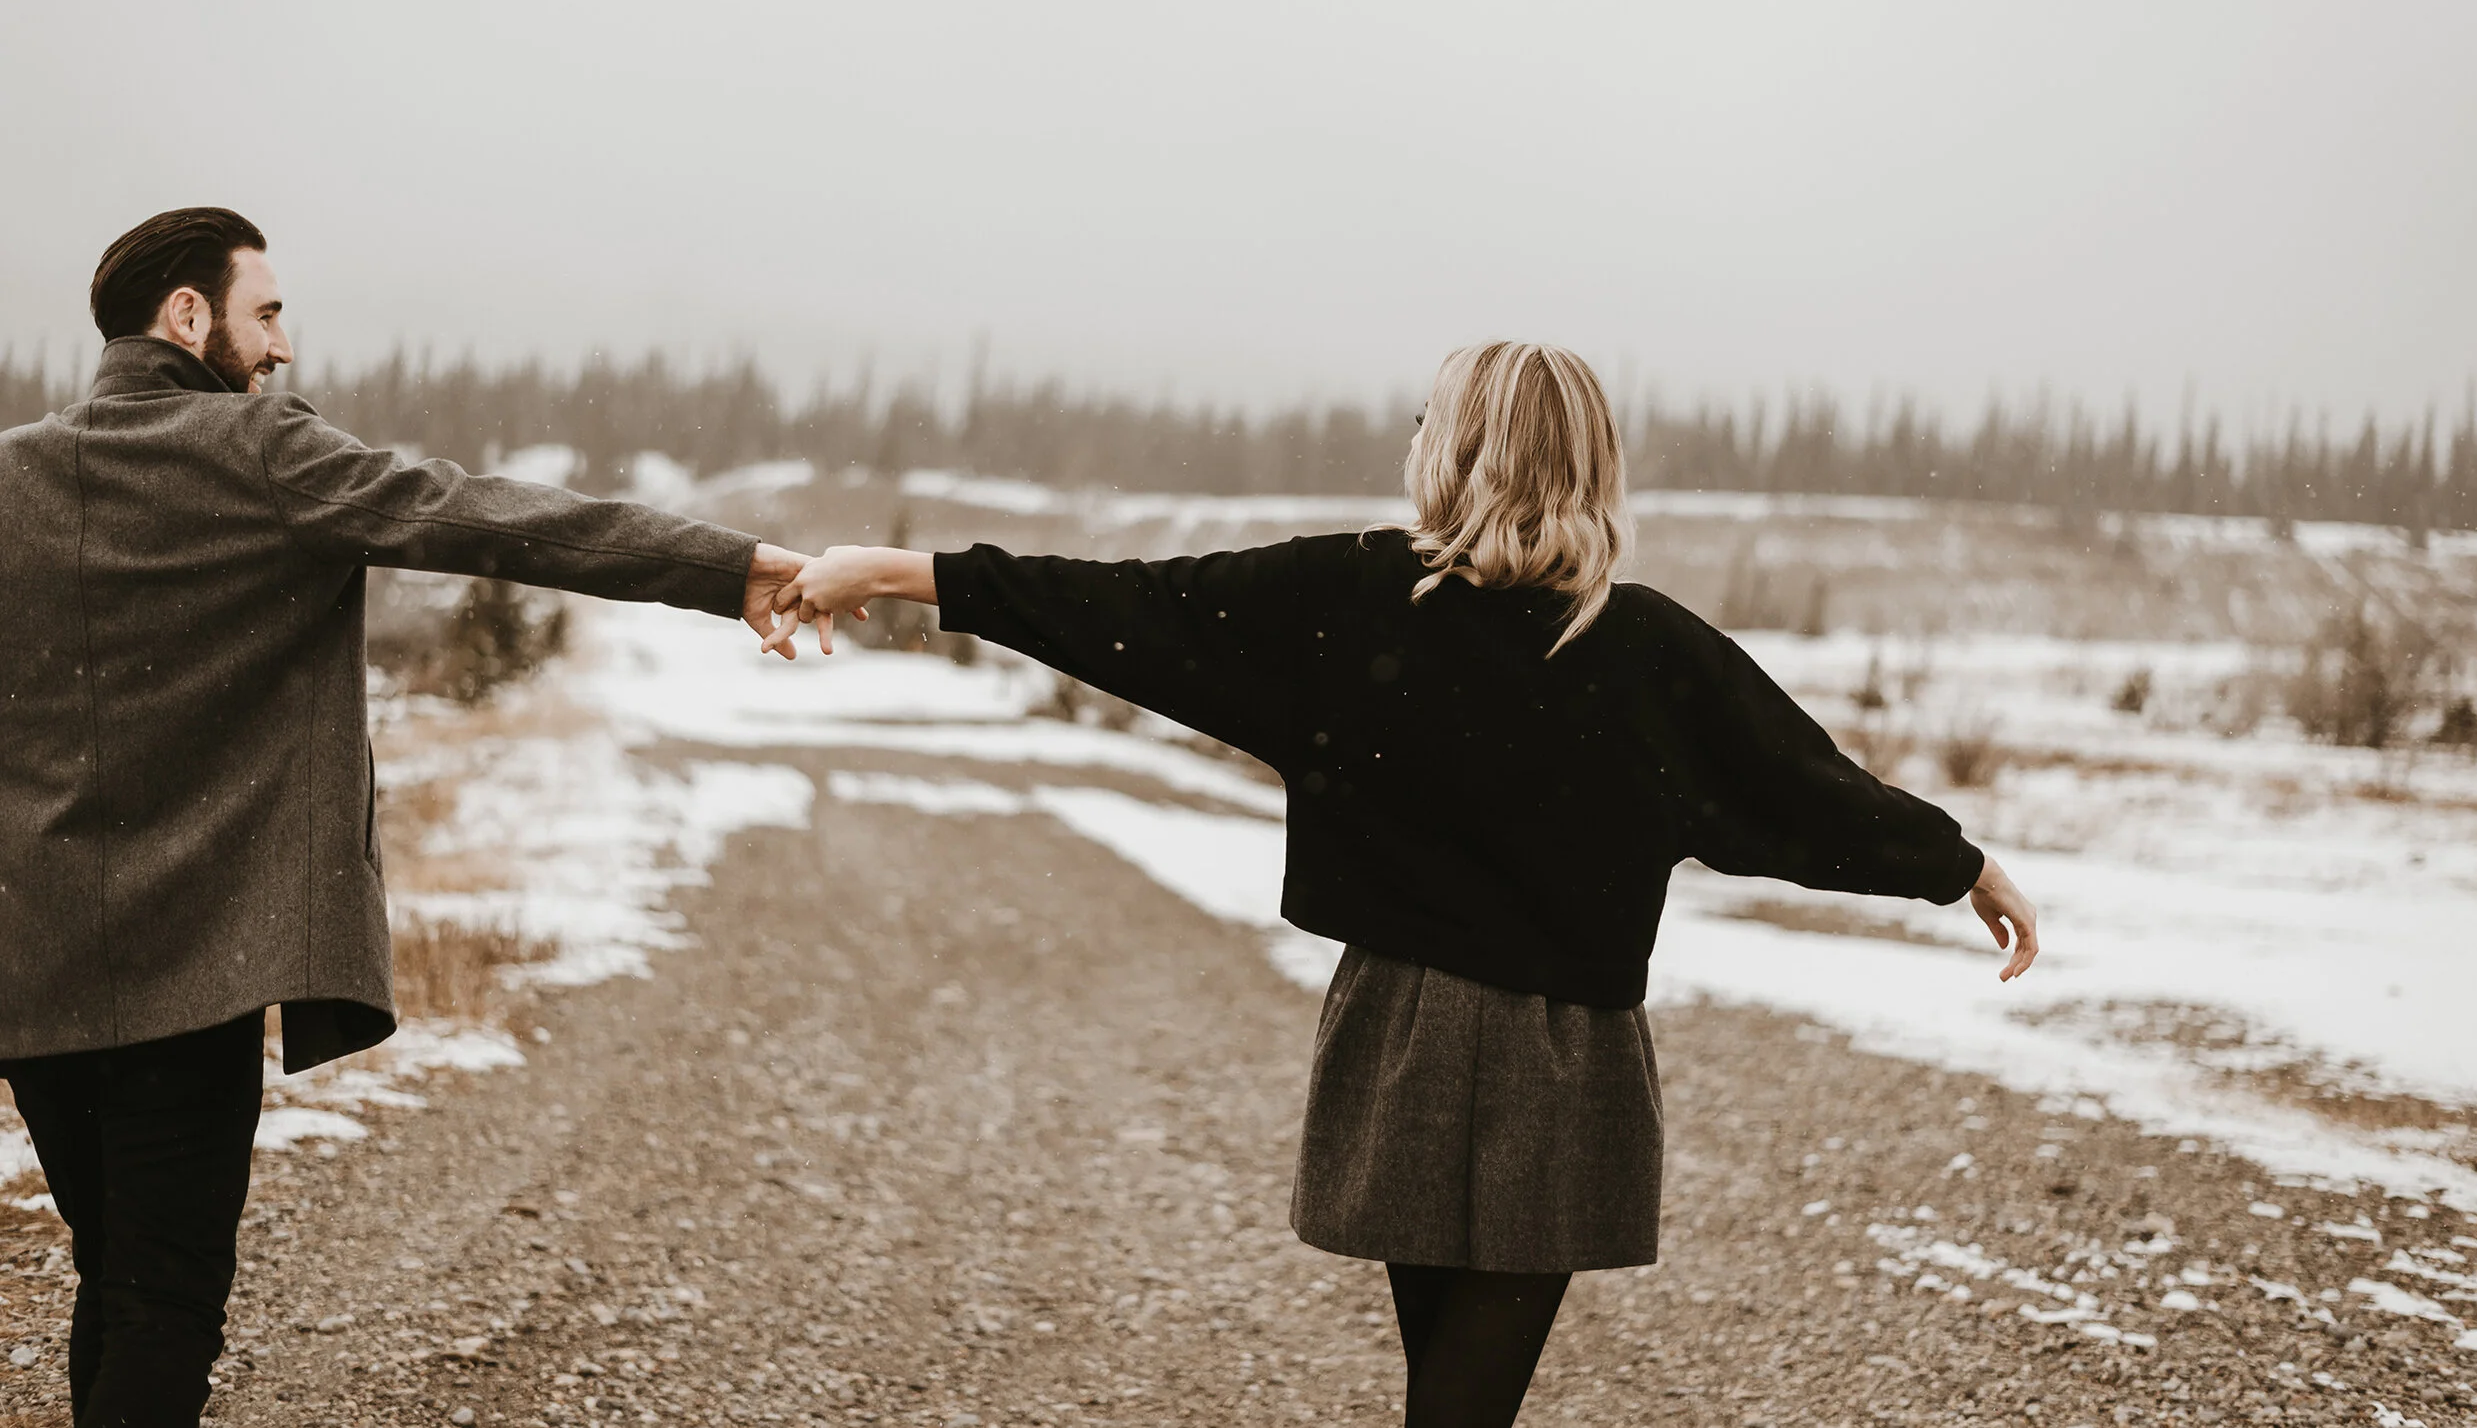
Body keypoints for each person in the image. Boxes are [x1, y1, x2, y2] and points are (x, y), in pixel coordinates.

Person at [767, 340, 2041, 1428]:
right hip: (1564, 1059)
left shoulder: (1354, 600)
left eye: (1430, 419)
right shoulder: (1648, 649)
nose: (1414, 436)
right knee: (1458, 1402)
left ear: (1466, 450)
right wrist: (1957, 863)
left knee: (1447, 1395)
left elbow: (1124, 609)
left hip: (1400, 1034)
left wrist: (896, 570)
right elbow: (1803, 794)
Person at [0, 208, 808, 1428]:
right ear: (185, 316)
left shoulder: (13, 471)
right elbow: (483, 516)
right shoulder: (260, 451)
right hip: (185, 966)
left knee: (113, 1270)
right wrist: (729, 567)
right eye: (264, 312)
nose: (280, 347)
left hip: (38, 965)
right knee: (163, 1300)